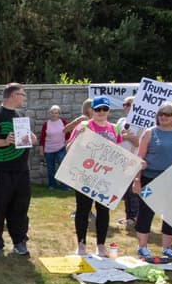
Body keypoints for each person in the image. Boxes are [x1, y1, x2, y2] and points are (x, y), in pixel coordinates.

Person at [0, 83, 36, 256]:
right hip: (1, 169)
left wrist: (31, 137)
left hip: (22, 170)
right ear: (12, 95)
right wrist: (4, 142)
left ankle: (19, 241)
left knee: (20, 207)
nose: (23, 98)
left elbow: (30, 138)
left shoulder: (21, 115)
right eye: (22, 94)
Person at [135, 102, 172, 260]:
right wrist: (137, 180)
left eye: (167, 114)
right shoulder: (150, 132)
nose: (163, 117)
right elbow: (139, 158)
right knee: (145, 213)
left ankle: (167, 247)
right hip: (150, 178)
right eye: (161, 114)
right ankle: (142, 247)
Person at [68, 96, 122, 256]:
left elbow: (118, 153)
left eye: (105, 109)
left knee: (103, 211)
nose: (101, 112)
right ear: (91, 110)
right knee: (83, 210)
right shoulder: (84, 125)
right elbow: (69, 148)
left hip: (106, 176)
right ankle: (81, 244)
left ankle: (100, 245)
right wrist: (78, 137)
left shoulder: (114, 129)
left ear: (109, 111)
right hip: (85, 174)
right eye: (98, 109)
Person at [114, 96, 143, 225]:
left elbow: (140, 143)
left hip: (135, 159)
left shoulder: (142, 124)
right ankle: (129, 216)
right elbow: (115, 138)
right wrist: (124, 136)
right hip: (122, 159)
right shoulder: (121, 121)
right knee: (125, 190)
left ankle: (135, 216)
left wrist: (130, 138)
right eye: (124, 104)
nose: (125, 107)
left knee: (134, 190)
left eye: (129, 104)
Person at [39, 105, 67, 191]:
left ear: (59, 114)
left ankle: (64, 186)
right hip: (49, 149)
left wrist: (67, 143)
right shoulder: (46, 124)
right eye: (52, 112)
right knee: (50, 168)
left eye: (56, 113)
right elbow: (42, 138)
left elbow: (68, 133)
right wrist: (41, 150)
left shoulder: (63, 122)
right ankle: (52, 185)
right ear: (50, 113)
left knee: (62, 167)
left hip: (61, 148)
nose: (54, 114)